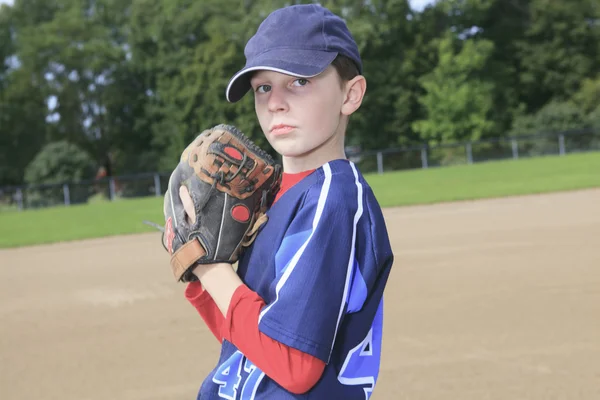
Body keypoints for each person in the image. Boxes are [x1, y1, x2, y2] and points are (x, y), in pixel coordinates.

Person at [182, 4, 394, 399]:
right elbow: (246, 343)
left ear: (351, 94)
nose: (275, 102)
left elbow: (293, 364)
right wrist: (197, 268)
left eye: (298, 81)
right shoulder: (273, 197)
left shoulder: (334, 196)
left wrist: (212, 269)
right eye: (264, 87)